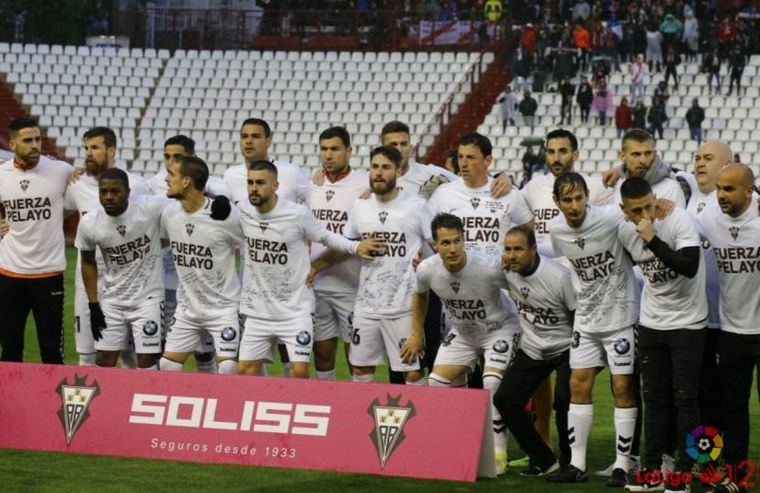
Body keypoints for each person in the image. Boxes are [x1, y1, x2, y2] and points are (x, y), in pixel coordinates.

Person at [237, 160, 380, 379]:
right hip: (258, 312)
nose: (253, 188)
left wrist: (355, 246)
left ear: (275, 186)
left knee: (299, 372)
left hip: (295, 310)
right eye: (250, 182)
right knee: (244, 372)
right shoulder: (243, 211)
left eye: (260, 183)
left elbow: (325, 236)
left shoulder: (297, 214)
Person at [546, 172, 639, 486]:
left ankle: (623, 464)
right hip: (586, 320)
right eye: (567, 200)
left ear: (587, 196)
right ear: (556, 202)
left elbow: (636, 207)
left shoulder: (610, 217)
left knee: (623, 388)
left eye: (578, 198)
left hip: (621, 317)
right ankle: (577, 464)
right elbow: (563, 261)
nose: (574, 205)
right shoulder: (556, 229)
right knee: (578, 385)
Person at [617, 177, 707, 492]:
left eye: (648, 206)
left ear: (656, 199)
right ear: (623, 211)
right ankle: (652, 471)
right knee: (652, 399)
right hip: (652, 322)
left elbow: (690, 266)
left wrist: (653, 239)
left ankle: (683, 474)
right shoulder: (624, 230)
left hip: (688, 323)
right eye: (636, 210)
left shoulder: (678, 219)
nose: (644, 214)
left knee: (686, 399)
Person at [414, 213, 520, 475]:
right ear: (435, 245)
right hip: (463, 332)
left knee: (491, 382)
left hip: (500, 329)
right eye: (445, 243)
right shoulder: (426, 269)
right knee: (436, 383)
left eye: (457, 241)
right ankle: (459, 443)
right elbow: (420, 296)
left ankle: (498, 452)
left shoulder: (488, 267)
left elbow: (522, 285)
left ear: (464, 239)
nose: (452, 249)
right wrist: (416, 332)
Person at [339, 146, 431, 385]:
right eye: (375, 166)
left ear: (398, 171)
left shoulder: (417, 206)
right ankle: (359, 421)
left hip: (403, 306)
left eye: (386, 167)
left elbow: (434, 247)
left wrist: (425, 263)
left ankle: (420, 423)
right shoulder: (360, 207)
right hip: (366, 306)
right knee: (359, 369)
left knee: (411, 372)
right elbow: (348, 242)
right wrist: (357, 247)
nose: (379, 172)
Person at [697, 164, 760, 493]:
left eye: (730, 189)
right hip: (731, 332)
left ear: (750, 191)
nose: (721, 195)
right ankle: (738, 477)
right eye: (719, 188)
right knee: (733, 409)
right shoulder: (709, 221)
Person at [64, 126, 150, 367]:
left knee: (131, 355)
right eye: (86, 148)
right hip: (88, 282)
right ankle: (92, 403)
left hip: (127, 284)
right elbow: (57, 213)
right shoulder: (77, 184)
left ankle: (130, 402)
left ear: (111, 150)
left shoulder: (136, 185)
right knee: (88, 353)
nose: (89, 153)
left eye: (95, 148)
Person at [494, 226, 575, 476]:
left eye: (518, 249)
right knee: (504, 399)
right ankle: (543, 458)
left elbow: (577, 317)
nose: (512, 255)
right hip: (532, 348)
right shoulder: (506, 272)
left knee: (563, 402)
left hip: (565, 347)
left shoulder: (558, 276)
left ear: (532, 249)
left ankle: (569, 462)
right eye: (507, 249)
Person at [158, 156, 242, 375]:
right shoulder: (170, 214)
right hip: (188, 309)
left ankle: (224, 408)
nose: (166, 179)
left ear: (186, 181)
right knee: (167, 366)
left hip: (223, 308)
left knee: (228, 367)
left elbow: (253, 235)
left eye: (171, 174)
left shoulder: (225, 216)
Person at [74, 168, 166, 369]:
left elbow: (185, 207)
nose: (108, 197)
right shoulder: (90, 223)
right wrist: (93, 304)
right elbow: (87, 262)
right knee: (105, 359)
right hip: (112, 300)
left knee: (147, 360)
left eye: (115, 191)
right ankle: (104, 401)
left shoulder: (150, 207)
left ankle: (143, 399)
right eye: (103, 191)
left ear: (128, 191)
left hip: (148, 300)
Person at [0, 118, 73, 364]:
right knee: (9, 350)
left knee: (52, 352)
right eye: (28, 140)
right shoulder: (2, 174)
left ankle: (50, 403)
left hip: (48, 274)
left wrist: (55, 215)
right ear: (12, 144)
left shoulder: (61, 170)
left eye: (38, 139)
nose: (35, 145)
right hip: (9, 273)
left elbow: (75, 203)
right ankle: (9, 402)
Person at [148, 135, 219, 373]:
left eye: (177, 157)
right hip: (165, 279)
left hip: (202, 282)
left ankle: (209, 398)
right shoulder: (152, 185)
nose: (170, 163)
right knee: (164, 348)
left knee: (205, 350)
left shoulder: (212, 186)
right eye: (166, 156)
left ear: (192, 156)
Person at [308, 127, 368, 380]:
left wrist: (316, 266)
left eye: (335, 149)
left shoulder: (364, 185)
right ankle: (327, 405)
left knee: (355, 356)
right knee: (321, 354)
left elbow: (354, 239)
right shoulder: (310, 184)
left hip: (351, 285)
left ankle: (356, 407)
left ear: (349, 151)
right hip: (318, 286)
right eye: (324, 149)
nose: (328, 155)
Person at [427, 133, 534, 257]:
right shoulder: (443, 193)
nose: (464, 163)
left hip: (498, 274)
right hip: (458, 273)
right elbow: (427, 234)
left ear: (488, 160)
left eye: (471, 157)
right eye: (460, 157)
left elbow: (530, 229)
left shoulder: (508, 192)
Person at [522, 129, 615, 256]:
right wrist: (502, 177)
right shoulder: (533, 187)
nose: (556, 158)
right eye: (551, 152)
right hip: (543, 264)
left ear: (575, 155)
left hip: (583, 264)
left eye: (563, 151)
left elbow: (613, 230)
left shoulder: (597, 187)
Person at [223, 118, 310, 207]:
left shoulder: (291, 172)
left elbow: (316, 201)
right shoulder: (230, 175)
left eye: (255, 136)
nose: (248, 141)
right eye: (244, 136)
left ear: (268, 141)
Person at [613, 129, 685, 207]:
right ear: (622, 156)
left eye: (648, 153)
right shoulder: (617, 184)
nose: (643, 160)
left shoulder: (671, 189)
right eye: (636, 154)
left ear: (654, 154)